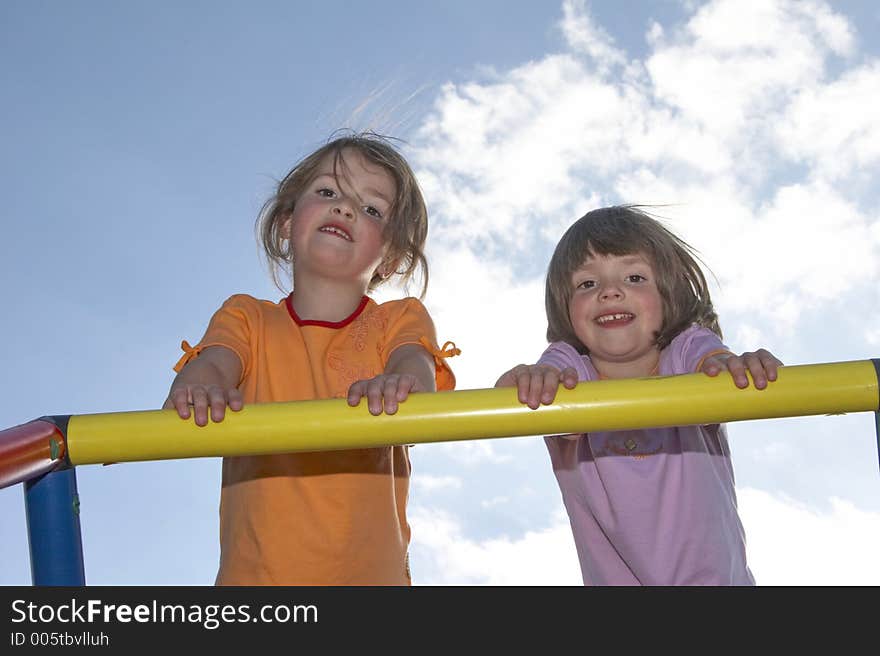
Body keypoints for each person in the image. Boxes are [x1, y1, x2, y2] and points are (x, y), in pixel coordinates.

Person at [163, 132, 457, 585]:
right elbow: (214, 366)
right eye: (327, 192)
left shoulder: (399, 321)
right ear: (286, 220)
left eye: (371, 208)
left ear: (391, 259)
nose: (344, 208)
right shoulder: (248, 318)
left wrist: (399, 383)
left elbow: (415, 373)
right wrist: (200, 385)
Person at [495, 205, 781, 585]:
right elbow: (511, 396)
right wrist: (529, 379)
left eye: (634, 277)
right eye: (587, 284)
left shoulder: (684, 353)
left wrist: (734, 368)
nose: (610, 291)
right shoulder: (569, 370)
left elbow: (714, 363)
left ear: (668, 294)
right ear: (566, 308)